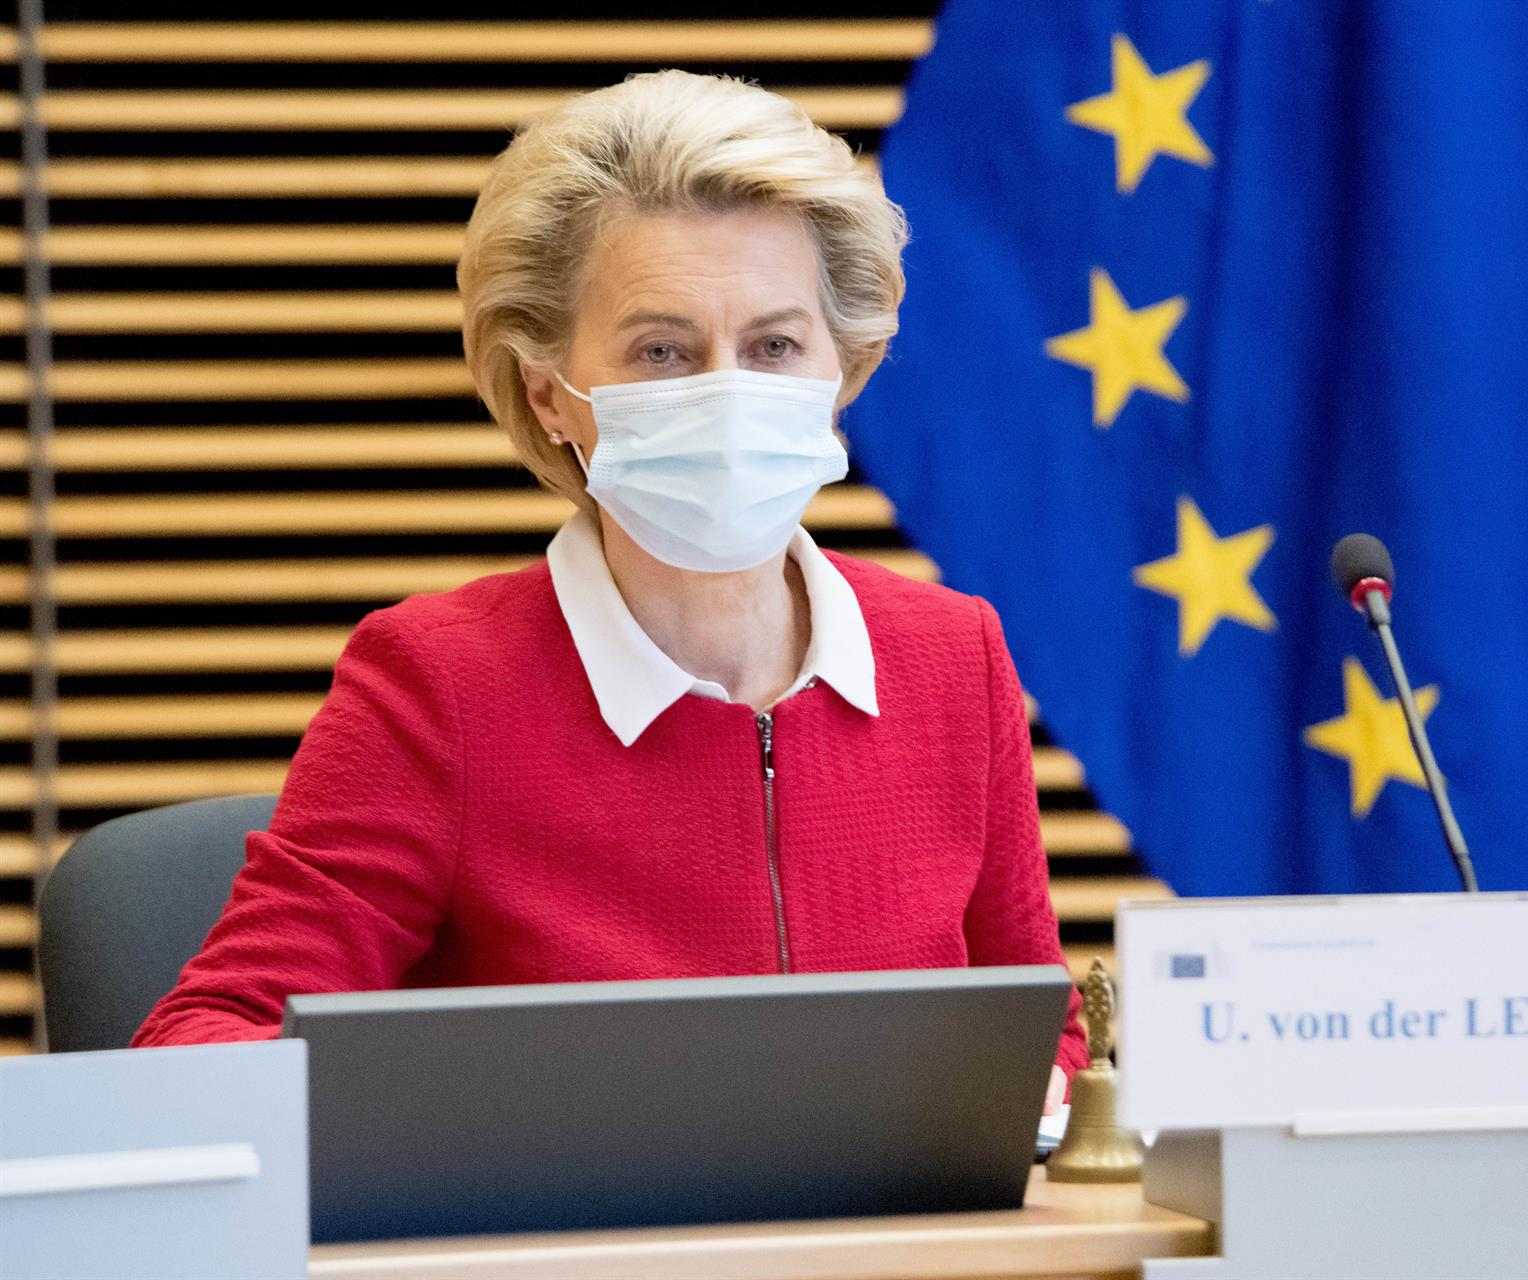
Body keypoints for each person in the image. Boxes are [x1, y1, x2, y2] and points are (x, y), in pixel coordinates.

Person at [134, 70, 1087, 1107]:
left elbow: (1041, 1036)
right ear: (551, 394)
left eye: (774, 345)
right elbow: (209, 1034)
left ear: (844, 369)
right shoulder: (439, 684)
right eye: (662, 350)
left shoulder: (953, 656)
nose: (728, 390)